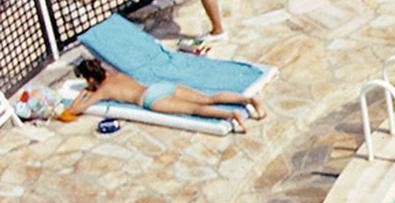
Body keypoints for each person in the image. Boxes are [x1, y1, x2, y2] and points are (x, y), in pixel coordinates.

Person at [67, 56, 264, 129]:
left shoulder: (103, 90)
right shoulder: (117, 74)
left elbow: (75, 110)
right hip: (159, 86)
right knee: (207, 98)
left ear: (90, 79)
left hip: (150, 99)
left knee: (195, 109)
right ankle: (248, 99)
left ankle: (231, 114)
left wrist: (85, 91)